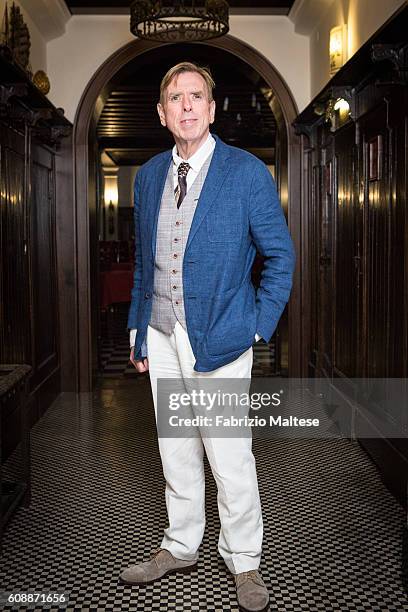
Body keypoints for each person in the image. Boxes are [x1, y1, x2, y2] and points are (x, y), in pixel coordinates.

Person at [120, 61, 295, 612]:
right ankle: (181, 544)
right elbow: (144, 265)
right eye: (177, 98)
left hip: (221, 337)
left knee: (228, 455)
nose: (188, 106)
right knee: (176, 449)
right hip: (162, 333)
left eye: (197, 96)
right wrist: (138, 327)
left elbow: (280, 257)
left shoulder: (246, 173)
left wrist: (257, 327)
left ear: (212, 109)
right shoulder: (147, 176)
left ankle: (244, 559)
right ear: (162, 113)